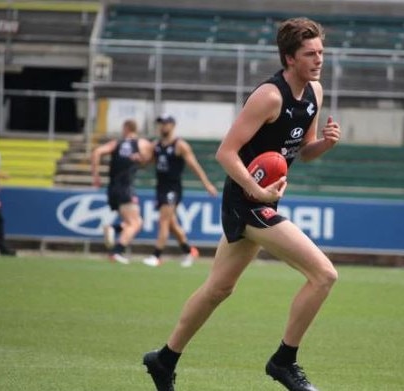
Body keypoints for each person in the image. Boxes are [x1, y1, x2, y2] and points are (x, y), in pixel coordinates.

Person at [142, 17, 341, 391]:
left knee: (219, 288)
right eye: (309, 54)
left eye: (321, 53)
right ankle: (284, 362)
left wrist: (325, 144)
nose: (318, 60)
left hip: (260, 199)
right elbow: (226, 153)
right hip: (246, 201)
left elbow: (304, 150)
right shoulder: (269, 96)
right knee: (324, 275)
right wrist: (258, 191)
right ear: (288, 58)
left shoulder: (314, 91)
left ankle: (164, 359)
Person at [142, 114, 218, 268]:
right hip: (160, 187)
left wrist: (207, 184)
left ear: (172, 125)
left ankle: (156, 255)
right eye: (161, 123)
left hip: (173, 188)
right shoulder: (155, 145)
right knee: (171, 223)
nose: (162, 126)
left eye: (165, 123)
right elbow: (148, 163)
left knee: (163, 220)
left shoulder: (179, 145)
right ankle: (189, 251)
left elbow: (194, 166)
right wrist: (140, 158)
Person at [91, 119, 151, 264]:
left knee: (131, 222)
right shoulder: (140, 144)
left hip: (113, 188)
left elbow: (97, 152)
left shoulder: (116, 143)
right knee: (136, 223)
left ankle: (113, 228)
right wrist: (141, 159)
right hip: (126, 188)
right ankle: (116, 252)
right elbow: (148, 160)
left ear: (126, 128)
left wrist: (96, 176)